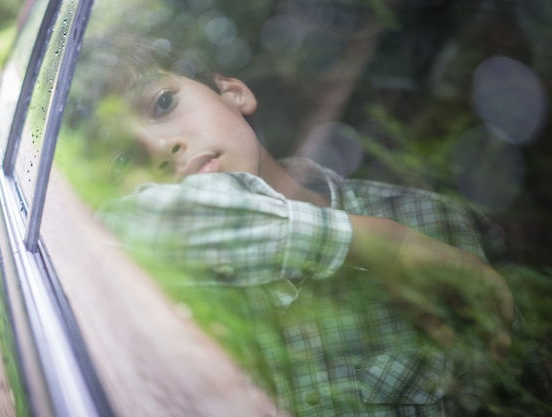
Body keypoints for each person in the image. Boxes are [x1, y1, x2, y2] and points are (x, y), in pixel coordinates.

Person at [92, 39, 518, 416]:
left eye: (163, 103)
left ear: (233, 93)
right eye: (123, 159)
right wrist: (383, 246)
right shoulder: (151, 290)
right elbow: (109, 224)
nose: (162, 149)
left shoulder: (433, 224)